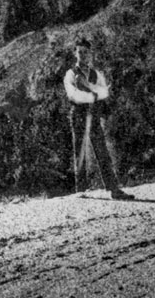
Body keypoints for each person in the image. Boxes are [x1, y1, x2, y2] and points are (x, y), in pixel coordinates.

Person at [63, 38, 134, 200]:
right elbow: (74, 95)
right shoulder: (70, 74)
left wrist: (93, 93)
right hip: (79, 116)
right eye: (80, 52)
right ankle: (80, 190)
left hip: (93, 115)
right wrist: (95, 94)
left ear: (90, 54)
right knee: (79, 152)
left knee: (102, 151)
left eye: (86, 52)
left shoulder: (96, 74)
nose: (83, 55)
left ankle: (113, 189)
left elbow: (105, 93)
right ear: (75, 54)